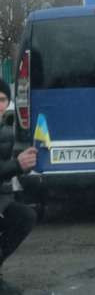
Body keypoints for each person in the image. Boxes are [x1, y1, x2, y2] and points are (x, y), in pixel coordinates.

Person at [0, 80, 37, 295]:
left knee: (25, 216)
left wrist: (23, 164)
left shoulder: (6, 131)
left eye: (2, 100)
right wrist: (16, 165)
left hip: (2, 199)